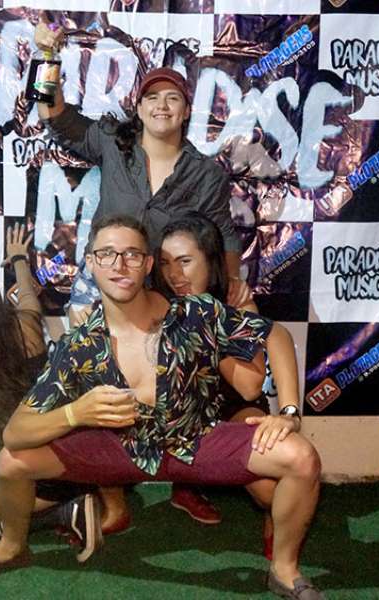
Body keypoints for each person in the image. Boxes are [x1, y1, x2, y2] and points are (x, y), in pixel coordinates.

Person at [0, 215, 325, 600]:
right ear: (91, 263)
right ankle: (12, 546)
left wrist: (289, 413)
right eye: (107, 254)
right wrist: (76, 414)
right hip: (118, 451)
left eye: (131, 254)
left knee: (301, 457)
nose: (119, 264)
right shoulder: (80, 344)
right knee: (11, 462)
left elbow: (275, 334)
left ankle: (284, 569)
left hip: (196, 442)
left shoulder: (194, 314)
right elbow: (15, 432)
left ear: (146, 264)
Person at [33, 20, 253, 324]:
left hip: (163, 297)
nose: (162, 105)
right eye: (152, 97)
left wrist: (233, 282)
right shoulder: (112, 142)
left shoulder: (206, 175)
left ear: (187, 111)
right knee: (87, 353)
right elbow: (53, 115)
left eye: (172, 98)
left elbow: (224, 237)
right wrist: (46, 57)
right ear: (139, 108)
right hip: (101, 287)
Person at [0, 225, 105, 586]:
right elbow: (27, 292)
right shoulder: (26, 324)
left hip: (36, 465)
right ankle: (73, 503)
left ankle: (67, 511)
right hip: (72, 454)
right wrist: (19, 260)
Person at [156, 213, 299, 558]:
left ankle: (273, 519)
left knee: (269, 491)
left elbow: (249, 386)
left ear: (211, 261)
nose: (174, 274)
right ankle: (185, 485)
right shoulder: (157, 303)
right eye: (165, 263)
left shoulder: (235, 300)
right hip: (184, 414)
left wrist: (205, 321)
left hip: (233, 404)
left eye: (185, 261)